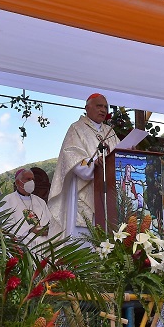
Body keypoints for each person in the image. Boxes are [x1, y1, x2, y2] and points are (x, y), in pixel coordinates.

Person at [48, 93, 119, 238]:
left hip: (108, 192)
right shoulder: (77, 128)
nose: (103, 110)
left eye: (106, 107)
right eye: (99, 106)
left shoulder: (110, 132)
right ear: (87, 108)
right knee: (85, 240)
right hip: (85, 191)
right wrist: (93, 163)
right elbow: (73, 158)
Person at [0, 168, 60, 247]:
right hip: (23, 237)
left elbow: (50, 221)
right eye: (28, 179)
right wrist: (29, 230)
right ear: (18, 182)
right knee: (36, 241)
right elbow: (5, 226)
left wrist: (46, 229)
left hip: (44, 235)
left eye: (33, 179)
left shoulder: (40, 201)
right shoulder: (7, 200)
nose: (31, 182)